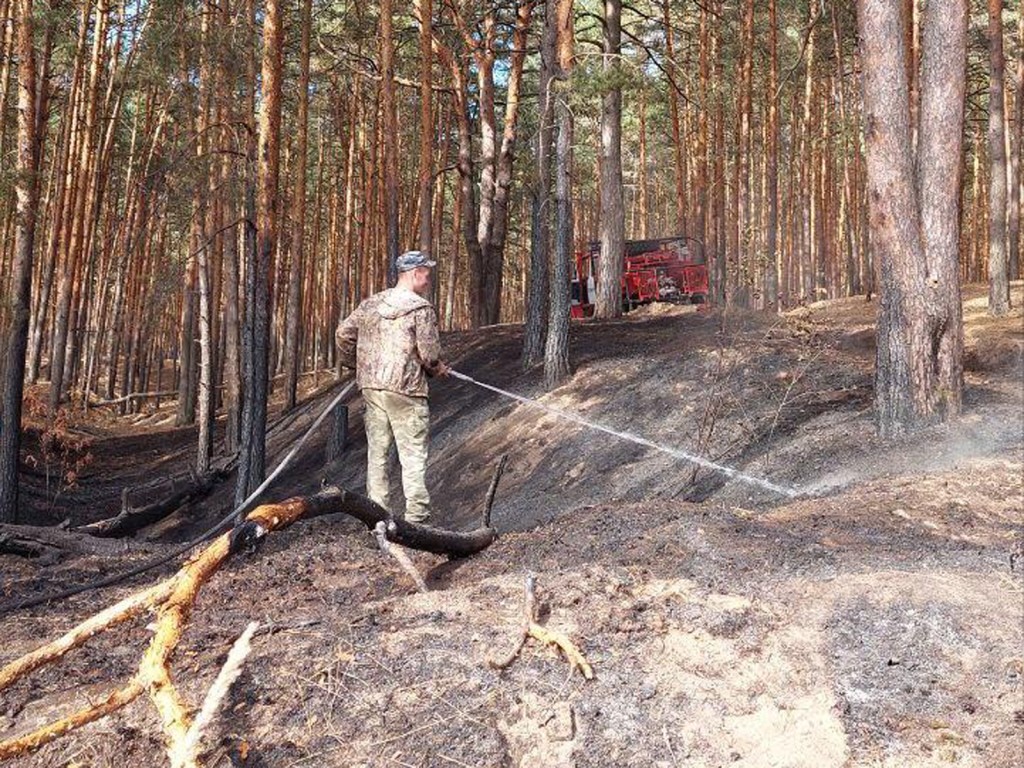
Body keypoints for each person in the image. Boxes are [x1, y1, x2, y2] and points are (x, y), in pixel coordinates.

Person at [336, 250, 450, 524]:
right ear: (414, 273)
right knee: (412, 455)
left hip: (373, 388)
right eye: (426, 272)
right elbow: (430, 355)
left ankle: (376, 517)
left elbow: (343, 334)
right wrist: (438, 370)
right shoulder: (420, 308)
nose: (428, 277)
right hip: (407, 391)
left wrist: (358, 365)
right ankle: (417, 519)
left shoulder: (370, 304)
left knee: (378, 453)